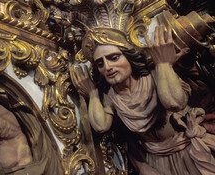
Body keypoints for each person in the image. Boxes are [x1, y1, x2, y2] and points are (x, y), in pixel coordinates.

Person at [71, 25, 215, 175]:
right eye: (100, 64)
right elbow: (100, 126)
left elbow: (175, 102)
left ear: (129, 56)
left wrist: (163, 64)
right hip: (157, 160)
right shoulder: (111, 96)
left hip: (189, 149)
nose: (107, 67)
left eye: (114, 58)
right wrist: (93, 93)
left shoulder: (154, 75)